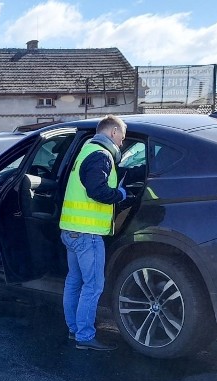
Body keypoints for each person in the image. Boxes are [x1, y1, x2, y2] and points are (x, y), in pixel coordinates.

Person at [59, 115, 127, 351]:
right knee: (93, 286)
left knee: (74, 281)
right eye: (121, 139)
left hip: (71, 230)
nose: (121, 145)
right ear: (113, 132)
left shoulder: (86, 149)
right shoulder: (101, 155)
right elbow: (96, 191)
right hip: (87, 234)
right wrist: (120, 194)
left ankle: (74, 329)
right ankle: (85, 337)